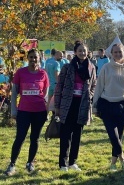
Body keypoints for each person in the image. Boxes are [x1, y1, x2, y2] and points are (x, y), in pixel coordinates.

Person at [92, 43, 124, 171]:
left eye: (120, 52)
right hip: (107, 105)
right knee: (113, 135)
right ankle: (123, 158)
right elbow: (99, 88)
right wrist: (94, 107)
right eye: (115, 52)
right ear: (111, 54)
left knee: (119, 136)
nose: (118, 54)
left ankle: (113, 163)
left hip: (123, 106)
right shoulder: (106, 68)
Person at [5, 48, 49, 176]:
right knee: (20, 138)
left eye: (35, 57)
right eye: (31, 57)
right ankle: (12, 164)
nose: (33, 59)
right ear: (27, 58)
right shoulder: (21, 72)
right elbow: (14, 93)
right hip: (24, 111)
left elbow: (46, 92)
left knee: (34, 138)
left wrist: (45, 108)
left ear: (39, 59)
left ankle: (30, 163)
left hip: (39, 111)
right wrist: (14, 110)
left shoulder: (43, 74)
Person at [54, 41, 96, 172]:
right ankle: (63, 163)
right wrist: (57, 106)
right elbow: (59, 86)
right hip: (68, 104)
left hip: (82, 104)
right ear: (75, 52)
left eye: (84, 50)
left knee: (77, 134)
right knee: (66, 134)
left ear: (87, 52)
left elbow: (94, 84)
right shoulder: (68, 67)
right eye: (80, 50)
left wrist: (90, 94)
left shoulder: (91, 67)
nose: (82, 53)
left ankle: (73, 161)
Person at [45, 49, 61, 113]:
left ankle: (46, 115)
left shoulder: (48, 61)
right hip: (55, 84)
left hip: (49, 83)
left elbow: (45, 72)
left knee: (48, 100)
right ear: (56, 55)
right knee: (56, 100)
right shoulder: (56, 63)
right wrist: (59, 83)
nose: (61, 58)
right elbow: (56, 74)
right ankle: (55, 115)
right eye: (60, 56)